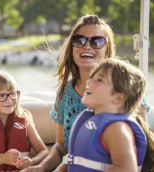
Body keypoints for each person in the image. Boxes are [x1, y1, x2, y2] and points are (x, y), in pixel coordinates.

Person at [22, 14, 149, 172]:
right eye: (79, 40)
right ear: (72, 47)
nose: (87, 46)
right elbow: (62, 148)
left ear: (107, 50)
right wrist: (40, 168)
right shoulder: (65, 93)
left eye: (97, 41)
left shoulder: (125, 92)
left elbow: (133, 156)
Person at [68, 58, 154, 171]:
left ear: (119, 97)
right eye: (91, 78)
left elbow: (127, 169)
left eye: (99, 80)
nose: (88, 82)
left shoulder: (116, 128)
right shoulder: (93, 122)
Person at [0, 70, 49, 171]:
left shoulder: (25, 120)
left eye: (12, 94)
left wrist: (32, 161)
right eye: (1, 95)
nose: (9, 100)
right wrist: (2, 159)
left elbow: (44, 151)